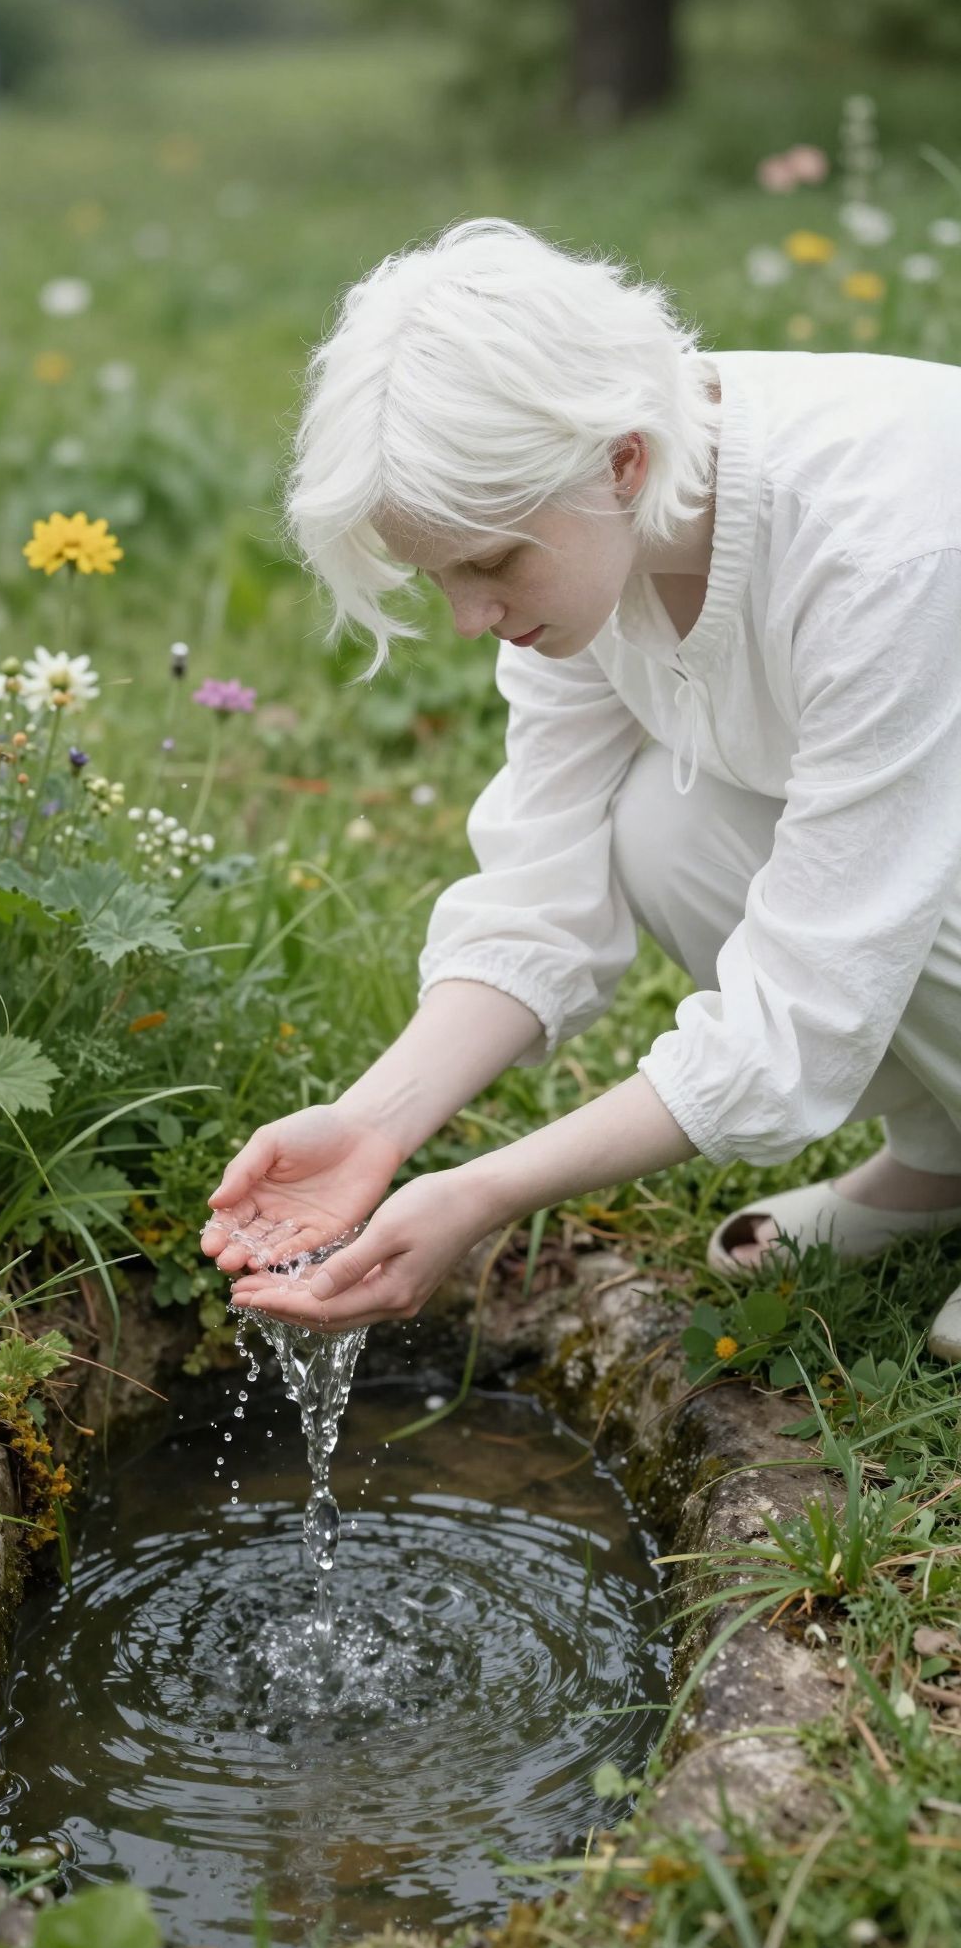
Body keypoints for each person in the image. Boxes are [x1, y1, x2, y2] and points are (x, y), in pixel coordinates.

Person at [200, 217, 961, 1360]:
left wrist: (480, 1192)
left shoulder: (881, 543)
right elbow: (541, 894)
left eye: (493, 563)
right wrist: (375, 1122)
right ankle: (945, 1155)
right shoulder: (600, 540)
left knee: (857, 883)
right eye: (439, 574)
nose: (468, 616)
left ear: (621, 460)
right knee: (662, 824)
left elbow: (811, 996)